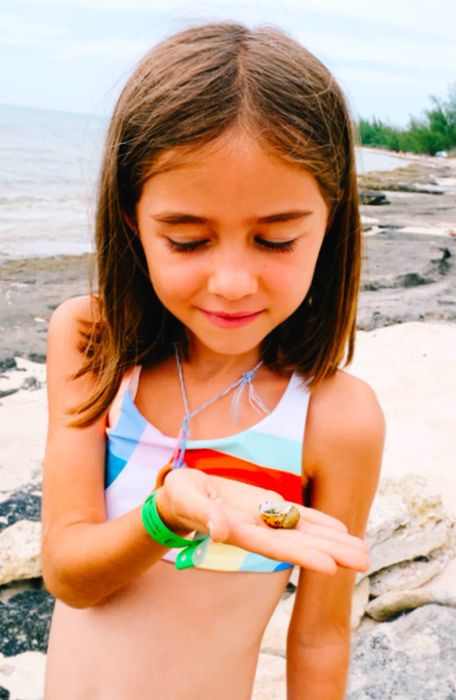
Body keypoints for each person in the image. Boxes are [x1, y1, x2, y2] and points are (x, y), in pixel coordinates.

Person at [41, 21, 385, 700]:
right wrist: (167, 514)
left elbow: (320, 636)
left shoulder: (336, 418)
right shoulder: (92, 342)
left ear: (331, 222)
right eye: (190, 241)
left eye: (276, 240)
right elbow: (68, 574)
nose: (232, 282)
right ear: (133, 220)